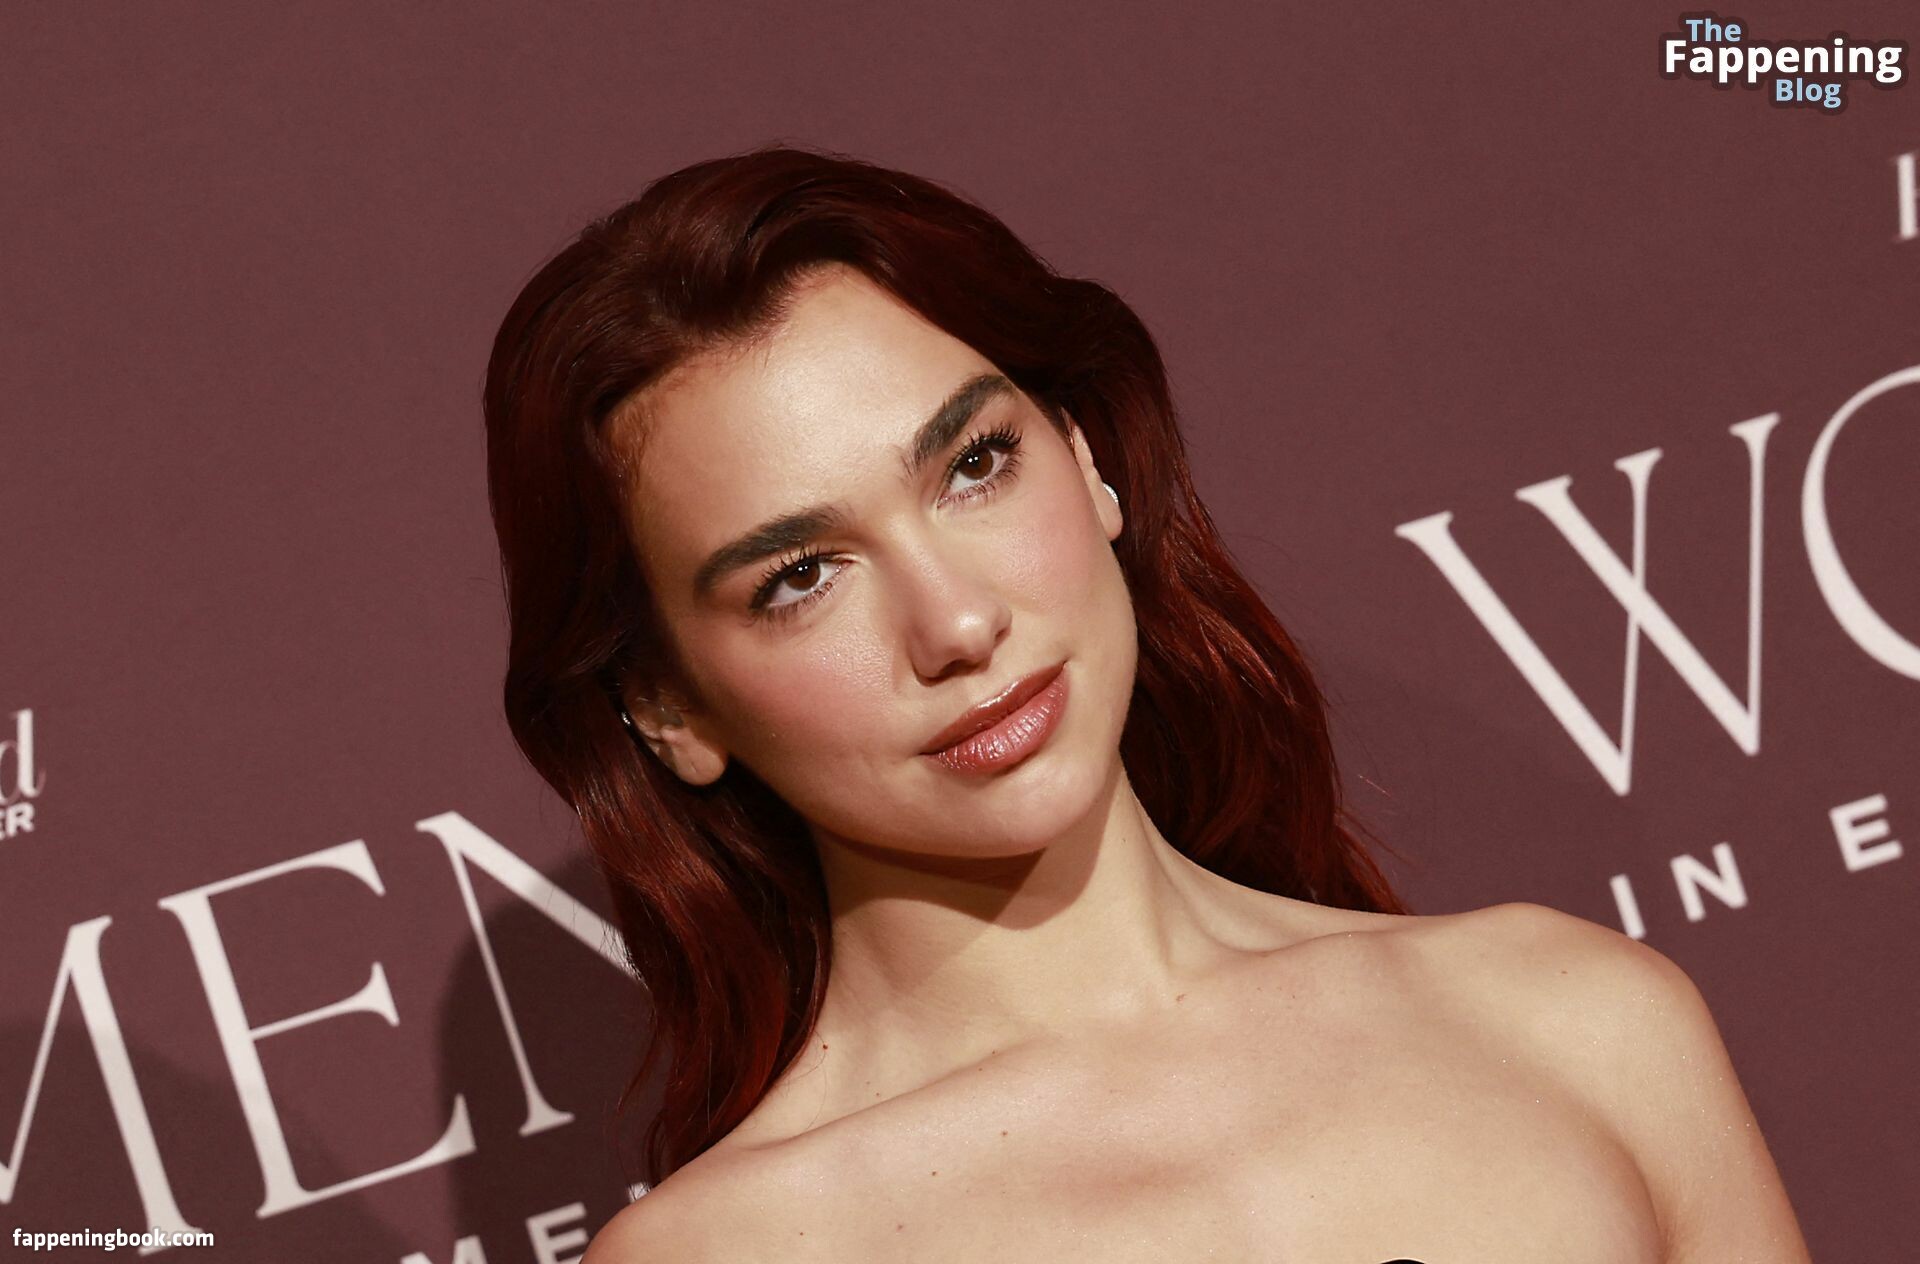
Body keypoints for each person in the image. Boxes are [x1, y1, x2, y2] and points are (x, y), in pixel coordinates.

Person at [481, 144, 1811, 1261]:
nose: (957, 626)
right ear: (668, 706)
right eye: (800, 577)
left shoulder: (1578, 1026)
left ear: (1084, 455)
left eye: (973, 465)